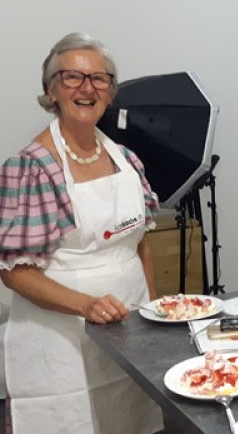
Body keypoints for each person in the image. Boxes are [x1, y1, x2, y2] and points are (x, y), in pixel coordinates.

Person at [0, 33, 164, 433]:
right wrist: (86, 305)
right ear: (51, 90)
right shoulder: (33, 168)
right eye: (72, 77)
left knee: (132, 420)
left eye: (99, 78)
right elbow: (14, 271)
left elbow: (140, 243)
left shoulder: (126, 160)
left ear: (111, 90)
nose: (87, 88)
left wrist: (154, 313)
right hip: (60, 342)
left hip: (130, 329)